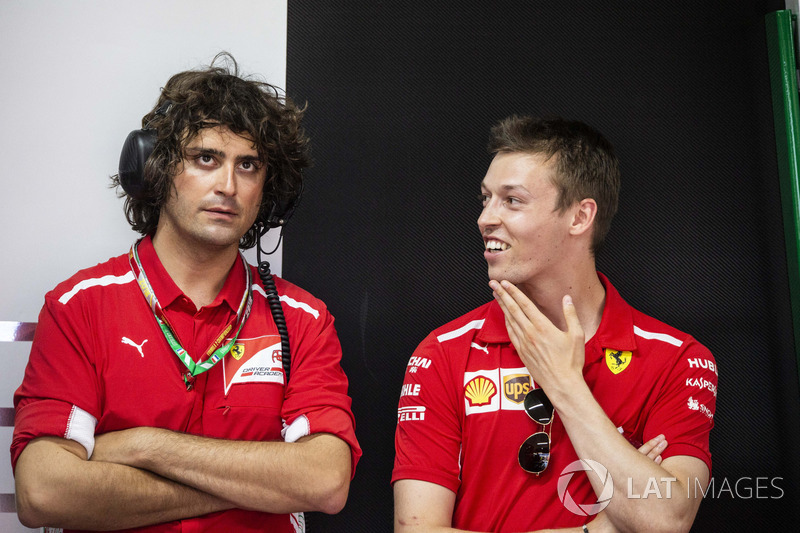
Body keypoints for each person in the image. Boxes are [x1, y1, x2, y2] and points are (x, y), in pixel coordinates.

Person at [11, 53, 361, 533]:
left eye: (249, 165)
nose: (227, 185)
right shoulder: (80, 306)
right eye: (205, 158)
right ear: (156, 167)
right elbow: (43, 492)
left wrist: (142, 446)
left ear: (268, 189)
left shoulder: (303, 318)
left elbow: (324, 481)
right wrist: (256, 487)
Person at [393, 116, 717, 532]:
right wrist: (598, 529)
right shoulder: (441, 352)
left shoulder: (679, 359)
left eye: (511, 200)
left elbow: (665, 521)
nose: (484, 218)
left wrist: (565, 386)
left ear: (580, 217)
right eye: (485, 199)